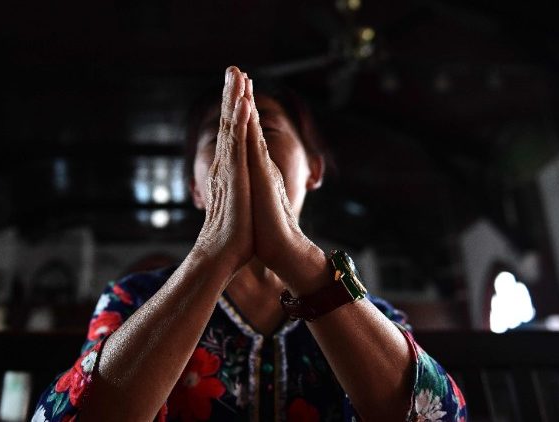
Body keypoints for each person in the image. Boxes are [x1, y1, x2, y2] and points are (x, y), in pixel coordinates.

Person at [33, 66, 467, 421]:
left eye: (266, 134)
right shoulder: (131, 300)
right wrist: (212, 255)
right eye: (219, 139)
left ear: (314, 171)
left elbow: (442, 417)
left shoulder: (372, 319)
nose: (244, 150)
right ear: (197, 189)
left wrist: (296, 254)